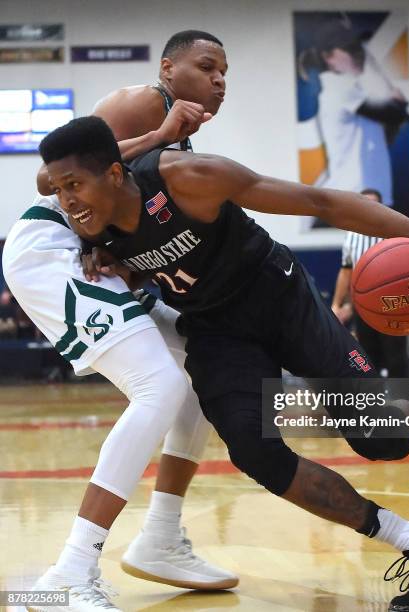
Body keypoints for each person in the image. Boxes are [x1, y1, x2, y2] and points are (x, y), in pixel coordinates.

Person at [42, 115, 409, 611]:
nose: (66, 201)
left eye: (75, 186)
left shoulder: (186, 178)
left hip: (281, 299)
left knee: (382, 440)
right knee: (255, 451)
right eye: (60, 189)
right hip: (217, 329)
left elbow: (316, 201)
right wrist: (122, 268)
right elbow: (58, 194)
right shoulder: (89, 225)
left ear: (114, 174)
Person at [3, 30, 237, 612]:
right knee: (158, 386)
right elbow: (50, 177)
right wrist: (158, 135)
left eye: (224, 72)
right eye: (206, 67)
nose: (218, 80)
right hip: (48, 251)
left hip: (97, 263)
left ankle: (161, 537)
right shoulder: (144, 103)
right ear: (168, 69)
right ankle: (67, 573)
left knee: (200, 363)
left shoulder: (184, 136)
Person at [299, 22, 409, 229]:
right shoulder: (339, 87)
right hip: (349, 203)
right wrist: (392, 95)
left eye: (359, 47)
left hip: (366, 202)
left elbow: (391, 124)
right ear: (328, 56)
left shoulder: (357, 90)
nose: (358, 53)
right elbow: (396, 112)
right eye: (350, 49)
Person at [331, 188, 407, 377]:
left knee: (396, 358)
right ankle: (372, 401)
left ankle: (402, 401)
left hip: (393, 303)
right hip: (363, 304)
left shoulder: (394, 231)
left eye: (374, 204)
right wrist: (336, 304)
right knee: (366, 356)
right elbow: (346, 271)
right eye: (365, 203)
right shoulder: (351, 235)